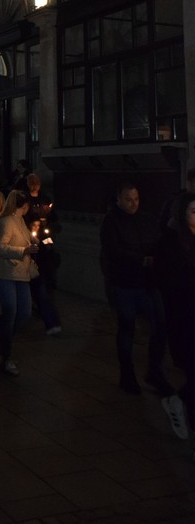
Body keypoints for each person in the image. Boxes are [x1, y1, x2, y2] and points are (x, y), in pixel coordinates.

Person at [100, 182, 172, 396]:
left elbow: (158, 241)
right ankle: (127, 375)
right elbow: (113, 251)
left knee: (160, 325)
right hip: (124, 283)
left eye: (136, 199)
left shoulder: (146, 220)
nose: (134, 204)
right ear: (119, 200)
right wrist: (140, 259)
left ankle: (155, 372)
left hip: (148, 282)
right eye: (129, 200)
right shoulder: (111, 222)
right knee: (127, 327)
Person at [154, 191, 195, 447]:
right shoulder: (170, 244)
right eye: (193, 212)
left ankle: (177, 401)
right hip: (185, 321)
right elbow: (169, 284)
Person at [0, 190, 39, 376]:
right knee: (10, 311)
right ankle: (6, 355)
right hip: (7, 273)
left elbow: (24, 238)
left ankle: (3, 341)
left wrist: (33, 240)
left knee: (25, 311)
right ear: (24, 206)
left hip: (21, 273)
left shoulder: (20, 221)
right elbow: (0, 247)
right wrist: (23, 250)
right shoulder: (6, 222)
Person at [24, 173, 62, 335]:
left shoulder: (44, 199)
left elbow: (53, 223)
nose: (34, 186)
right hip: (30, 247)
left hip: (44, 250)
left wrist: (48, 216)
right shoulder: (25, 200)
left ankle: (48, 318)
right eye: (31, 183)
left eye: (37, 183)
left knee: (42, 287)